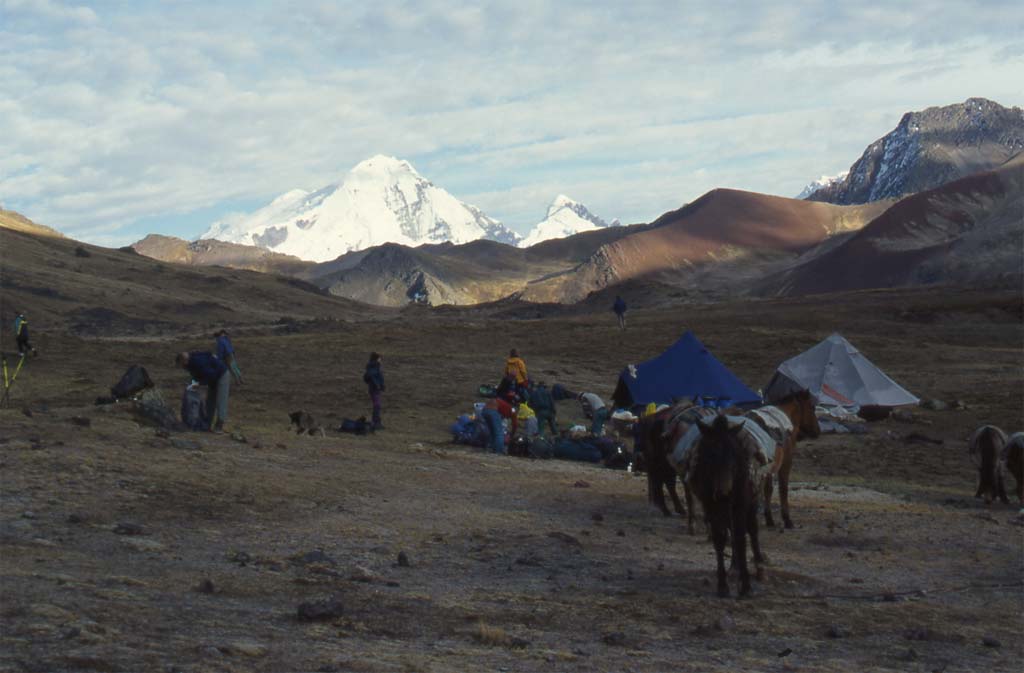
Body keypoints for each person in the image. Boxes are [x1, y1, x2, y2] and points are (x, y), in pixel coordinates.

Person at [176, 351, 230, 432]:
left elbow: (211, 375)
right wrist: (194, 383)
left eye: (182, 365)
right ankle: (206, 425)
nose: (183, 368)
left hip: (222, 375)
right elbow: (208, 353)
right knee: (210, 401)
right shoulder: (192, 358)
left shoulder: (198, 362)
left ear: (184, 361)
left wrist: (200, 383)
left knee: (221, 401)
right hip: (213, 379)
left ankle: (219, 425)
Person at [363, 352, 385, 430]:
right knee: (377, 405)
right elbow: (372, 376)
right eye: (380, 358)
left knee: (377, 405)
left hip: (375, 389)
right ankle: (376, 422)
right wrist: (378, 385)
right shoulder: (374, 367)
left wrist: (381, 385)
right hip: (374, 389)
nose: (381, 360)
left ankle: (376, 422)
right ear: (377, 359)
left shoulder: (374, 366)